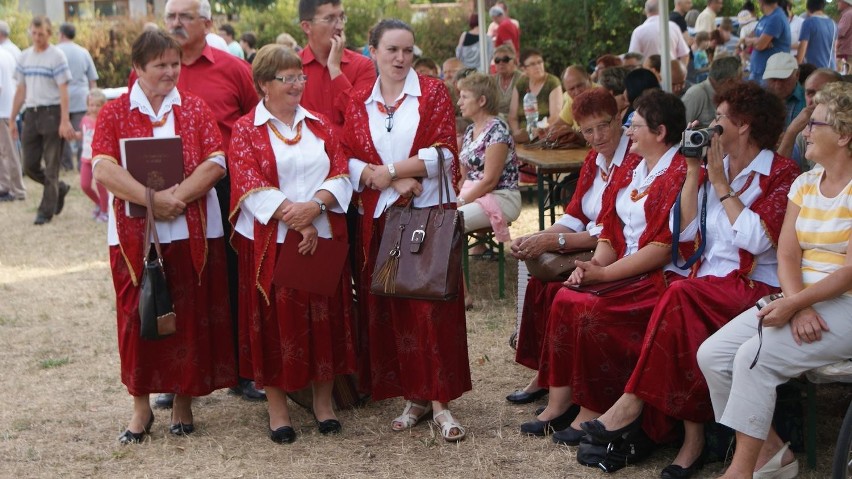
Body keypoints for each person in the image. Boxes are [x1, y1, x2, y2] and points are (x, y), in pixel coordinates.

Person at [584, 81, 799, 479]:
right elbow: (681, 232)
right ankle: (705, 441)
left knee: (680, 296)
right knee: (677, 306)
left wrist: (719, 183)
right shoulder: (716, 167)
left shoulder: (781, 173)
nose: (712, 126)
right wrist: (694, 170)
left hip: (756, 287)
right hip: (706, 286)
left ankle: (636, 406)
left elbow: (759, 240)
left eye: (719, 118)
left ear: (745, 125)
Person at [698, 81, 852, 479]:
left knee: (752, 357)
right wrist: (796, 301)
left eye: (815, 123)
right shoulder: (805, 183)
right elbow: (786, 254)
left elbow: (850, 270)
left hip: (846, 302)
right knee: (713, 356)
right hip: (800, 296)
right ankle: (773, 454)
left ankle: (741, 471)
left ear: (845, 134)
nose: (805, 130)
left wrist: (797, 303)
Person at [91, 29, 235, 445]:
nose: (171, 72)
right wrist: (154, 200)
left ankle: (184, 404)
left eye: (175, 63)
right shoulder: (116, 111)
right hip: (135, 238)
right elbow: (103, 167)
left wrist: (180, 198)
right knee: (137, 319)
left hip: (191, 231)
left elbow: (216, 162)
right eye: (161, 65)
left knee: (187, 317)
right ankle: (141, 410)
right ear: (138, 68)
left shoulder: (194, 108)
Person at [526, 90, 688, 447]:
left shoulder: (678, 171)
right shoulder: (637, 167)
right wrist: (594, 264)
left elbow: (660, 249)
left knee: (586, 306)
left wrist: (600, 272)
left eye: (635, 125)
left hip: (656, 277)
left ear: (660, 132)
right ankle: (560, 400)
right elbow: (611, 228)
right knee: (567, 295)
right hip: (625, 267)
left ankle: (592, 406)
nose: (629, 131)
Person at [342, 19, 471, 442]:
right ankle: (413, 397)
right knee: (395, 310)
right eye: (392, 50)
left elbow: (444, 152)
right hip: (382, 218)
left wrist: (395, 170)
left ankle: (441, 403)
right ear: (373, 51)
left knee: (430, 308)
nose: (401, 58)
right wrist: (384, 179)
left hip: (427, 217)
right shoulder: (359, 98)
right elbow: (345, 154)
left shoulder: (431, 91)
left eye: (407, 51)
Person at [229, 44, 355, 444]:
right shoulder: (245, 130)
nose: (298, 84)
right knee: (273, 327)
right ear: (265, 84)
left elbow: (341, 170)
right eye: (288, 78)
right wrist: (293, 216)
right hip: (272, 243)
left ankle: (323, 405)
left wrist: (315, 208)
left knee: (323, 320)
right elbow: (246, 181)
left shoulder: (318, 124)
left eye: (301, 76)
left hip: (320, 238)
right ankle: (278, 410)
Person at [152, 0, 259, 407]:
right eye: (171, 17)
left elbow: (255, 122)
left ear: (207, 23)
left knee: (233, 277)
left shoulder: (233, 69)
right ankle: (178, 376)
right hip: (164, 191)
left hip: (224, 185)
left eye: (185, 17)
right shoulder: (151, 67)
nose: (176, 24)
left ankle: (243, 372)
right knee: (174, 281)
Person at [506, 88, 640, 410]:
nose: (597, 136)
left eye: (603, 126)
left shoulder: (635, 159)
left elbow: (614, 230)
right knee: (535, 271)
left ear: (619, 118)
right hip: (592, 244)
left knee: (555, 288)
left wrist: (554, 241)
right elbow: (577, 213)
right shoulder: (595, 157)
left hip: (618, 252)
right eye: (588, 130)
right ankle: (545, 372)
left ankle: (562, 386)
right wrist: (538, 237)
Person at [456, 72, 521, 306]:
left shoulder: (498, 129)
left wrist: (460, 202)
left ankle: (461, 296)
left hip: (502, 197)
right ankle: (454, 290)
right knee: (439, 218)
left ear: (481, 100)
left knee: (450, 222)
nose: (459, 102)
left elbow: (490, 181)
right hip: (477, 195)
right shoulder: (471, 131)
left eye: (464, 96)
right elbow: (464, 178)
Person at [10, 16, 75, 225]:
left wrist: (64, 120)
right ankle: (60, 188)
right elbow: (21, 90)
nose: (37, 37)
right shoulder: (24, 57)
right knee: (29, 165)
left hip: (52, 112)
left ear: (49, 33)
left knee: (51, 165)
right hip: (31, 113)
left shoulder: (56, 56)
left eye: (42, 34)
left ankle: (44, 212)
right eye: (34, 33)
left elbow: (64, 91)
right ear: (31, 32)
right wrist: (12, 119)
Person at [298, 0, 376, 137]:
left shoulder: (363, 66)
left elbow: (362, 121)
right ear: (307, 27)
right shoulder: (292, 68)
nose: (340, 26)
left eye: (341, 17)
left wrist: (335, 70)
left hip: (352, 157)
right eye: (330, 19)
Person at [778, 67, 842, 170]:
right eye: (810, 93)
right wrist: (791, 132)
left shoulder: (846, 129)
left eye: (824, 93)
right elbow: (778, 174)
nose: (815, 99)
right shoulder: (804, 132)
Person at [57, 22, 99, 172]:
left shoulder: (55, 52)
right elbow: (92, 79)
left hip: (61, 98)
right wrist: (93, 99)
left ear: (61, 34)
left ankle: (66, 164)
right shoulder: (83, 52)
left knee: (62, 134)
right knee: (85, 131)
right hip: (82, 97)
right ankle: (84, 163)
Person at [508, 48, 563, 143]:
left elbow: (555, 116)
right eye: (533, 64)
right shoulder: (521, 84)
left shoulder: (552, 82)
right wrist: (517, 134)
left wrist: (536, 132)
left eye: (540, 62)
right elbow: (512, 116)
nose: (538, 66)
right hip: (521, 136)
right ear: (524, 69)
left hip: (544, 136)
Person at [682, 55, 742, 128]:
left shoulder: (726, 95)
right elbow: (680, 129)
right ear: (729, 82)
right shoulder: (696, 94)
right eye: (740, 79)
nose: (741, 83)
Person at [628, 0, 690, 67]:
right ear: (662, 9)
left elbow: (632, 60)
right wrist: (680, 73)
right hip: (670, 74)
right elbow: (685, 55)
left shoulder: (638, 32)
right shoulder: (674, 27)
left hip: (648, 74)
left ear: (646, 11)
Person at [78, 88, 108, 222]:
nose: (94, 108)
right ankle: (98, 203)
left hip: (99, 159)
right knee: (84, 185)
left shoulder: (104, 120)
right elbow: (83, 134)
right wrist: (74, 135)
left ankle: (104, 211)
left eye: (97, 105)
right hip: (85, 159)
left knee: (101, 187)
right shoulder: (84, 119)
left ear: (103, 106)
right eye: (91, 105)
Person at [744, 0, 791, 82]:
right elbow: (748, 39)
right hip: (757, 72)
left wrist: (757, 42)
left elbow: (760, 45)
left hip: (769, 76)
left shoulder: (776, 18)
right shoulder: (765, 17)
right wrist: (758, 40)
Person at [0, 40, 23, 202]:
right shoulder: (6, 53)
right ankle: (6, 186)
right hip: (8, 109)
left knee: (9, 152)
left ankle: (16, 189)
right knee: (7, 152)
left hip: (3, 111)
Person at [763, 52, 805, 129]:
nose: (778, 85)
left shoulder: (808, 100)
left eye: (783, 79)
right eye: (773, 79)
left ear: (797, 75)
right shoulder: (760, 99)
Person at [796, 0, 837, 69]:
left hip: (814, 69)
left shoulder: (808, 22)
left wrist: (797, 66)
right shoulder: (833, 23)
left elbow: (803, 47)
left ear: (808, 9)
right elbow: (834, 49)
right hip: (831, 68)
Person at [491, 44, 521, 121]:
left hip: (517, 120)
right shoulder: (491, 81)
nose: (501, 63)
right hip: (496, 121)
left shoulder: (522, 79)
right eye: (497, 60)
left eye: (505, 59)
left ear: (514, 61)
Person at [839, 0, 852, 70]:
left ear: (846, 3)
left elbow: (840, 32)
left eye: (839, 1)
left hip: (846, 53)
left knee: (845, 77)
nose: (837, 3)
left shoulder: (847, 14)